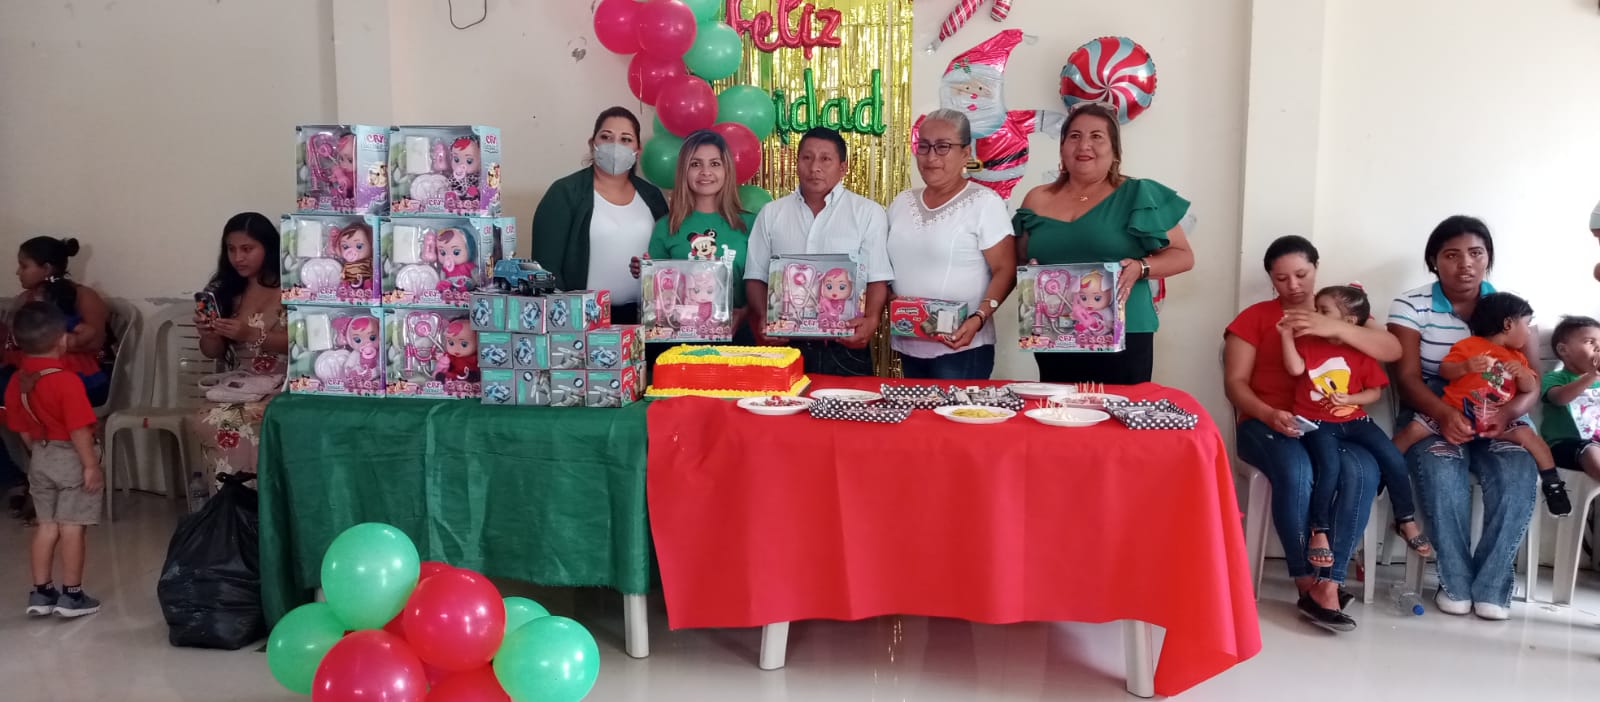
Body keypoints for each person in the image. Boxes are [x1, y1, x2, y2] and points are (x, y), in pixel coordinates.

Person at [1224, 235, 1399, 632]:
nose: (1293, 286)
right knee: (1297, 468)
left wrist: (1331, 326)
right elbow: (1235, 384)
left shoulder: (1341, 311)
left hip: (1331, 426)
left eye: (1301, 275)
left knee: (1364, 470)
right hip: (1265, 423)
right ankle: (1306, 582)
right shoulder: (1255, 318)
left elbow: (1391, 350)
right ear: (1271, 279)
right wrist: (1269, 414)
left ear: (1316, 269)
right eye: (1281, 278)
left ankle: (1329, 584)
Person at [1387, 215, 1538, 620]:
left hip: (1501, 414)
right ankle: (1455, 582)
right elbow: (1407, 379)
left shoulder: (1510, 308)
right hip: (1433, 408)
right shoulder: (1411, 305)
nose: (1465, 264)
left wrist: (1507, 414)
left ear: (1488, 258)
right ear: (1434, 261)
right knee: (1442, 472)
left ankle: (1491, 587)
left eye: (1476, 253)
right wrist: (1443, 413)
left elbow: (1533, 383)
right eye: (1452, 255)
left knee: (1517, 473)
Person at [1013, 102, 1194, 385]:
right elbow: (1020, 258)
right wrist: (1031, 271)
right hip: (1056, 332)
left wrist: (1141, 268)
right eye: (1074, 136)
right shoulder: (1036, 198)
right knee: (1058, 409)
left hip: (1124, 333)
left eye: (1097, 136)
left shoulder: (1138, 193)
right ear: (1062, 147)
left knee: (1117, 410)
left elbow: (1183, 256)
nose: (1084, 145)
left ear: (1114, 150)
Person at [1279, 284, 1429, 572]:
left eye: (1323, 311)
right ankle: (1318, 529)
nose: (1316, 316)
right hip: (1317, 422)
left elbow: (1374, 392)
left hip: (1354, 419)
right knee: (1329, 468)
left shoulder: (1362, 350)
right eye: (1316, 309)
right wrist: (1286, 334)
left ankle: (1405, 519)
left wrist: (1351, 399)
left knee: (1394, 458)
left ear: (1348, 321)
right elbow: (1295, 369)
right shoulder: (1308, 342)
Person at [1392, 292, 1569, 517]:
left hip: (1495, 419)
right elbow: (1444, 370)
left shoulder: (1517, 357)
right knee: (1412, 431)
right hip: (1457, 413)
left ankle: (1553, 485)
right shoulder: (1468, 346)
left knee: (1533, 440)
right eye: (1526, 324)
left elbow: (1529, 387)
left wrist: (1523, 374)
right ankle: (1384, 469)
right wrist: (1465, 367)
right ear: (1508, 324)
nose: (1528, 332)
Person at [745, 127, 893, 376]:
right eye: (807, 157)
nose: (815, 167)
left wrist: (871, 320)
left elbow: (877, 277)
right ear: (796, 162)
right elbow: (755, 276)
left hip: (844, 345)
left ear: (843, 167)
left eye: (825, 159)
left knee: (848, 401)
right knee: (783, 401)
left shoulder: (867, 213)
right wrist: (764, 317)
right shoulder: (772, 213)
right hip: (785, 344)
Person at [886, 109, 1016, 379]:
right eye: (924, 146)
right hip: (909, 343)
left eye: (943, 146)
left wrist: (979, 318)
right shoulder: (902, 202)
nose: (931, 157)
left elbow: (1006, 270)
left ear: (965, 153)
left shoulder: (984, 202)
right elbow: (884, 267)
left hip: (962, 349)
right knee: (914, 409)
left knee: (954, 408)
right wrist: (890, 301)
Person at [2, 237, 112, 517]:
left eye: (24, 265)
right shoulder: (25, 300)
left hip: (82, 377)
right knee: (15, 390)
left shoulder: (82, 296)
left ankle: (47, 480)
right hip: (37, 374)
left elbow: (94, 340)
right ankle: (22, 478)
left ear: (47, 268)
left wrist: (50, 341)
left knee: (27, 395)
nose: (18, 272)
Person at [8, 301, 104, 618]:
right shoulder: (67, 381)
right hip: (71, 457)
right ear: (62, 340)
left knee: (47, 526)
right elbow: (79, 430)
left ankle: (41, 592)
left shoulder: (17, 380)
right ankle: (72, 595)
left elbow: (21, 429)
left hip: (41, 454)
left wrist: (40, 453)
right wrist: (90, 465)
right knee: (72, 526)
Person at [531, 107, 669, 324]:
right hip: (584, 320)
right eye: (606, 137)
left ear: (638, 150)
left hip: (645, 320)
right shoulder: (565, 193)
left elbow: (667, 254)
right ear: (592, 143)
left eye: (626, 139)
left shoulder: (652, 196)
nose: (615, 146)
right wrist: (564, 321)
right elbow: (546, 268)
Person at [186, 213, 290, 492]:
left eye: (247, 249)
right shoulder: (226, 291)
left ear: (268, 248)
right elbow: (213, 352)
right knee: (207, 417)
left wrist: (252, 335)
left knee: (237, 419)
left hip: (286, 383)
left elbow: (301, 343)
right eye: (231, 250)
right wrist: (209, 334)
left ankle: (255, 498)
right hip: (244, 383)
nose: (238, 258)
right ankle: (229, 499)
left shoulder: (291, 288)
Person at [632, 129, 755, 343]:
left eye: (715, 164)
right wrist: (646, 273)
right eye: (696, 164)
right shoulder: (666, 226)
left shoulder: (750, 224)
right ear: (684, 171)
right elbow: (660, 294)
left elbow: (760, 283)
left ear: (726, 169)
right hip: (679, 341)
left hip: (736, 339)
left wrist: (743, 313)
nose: (706, 172)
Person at [1541, 316, 1600, 484]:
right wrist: (1592, 375)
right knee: (1590, 451)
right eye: (1590, 342)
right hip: (1567, 444)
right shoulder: (1554, 378)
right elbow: (1559, 398)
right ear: (1563, 350)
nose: (1598, 347)